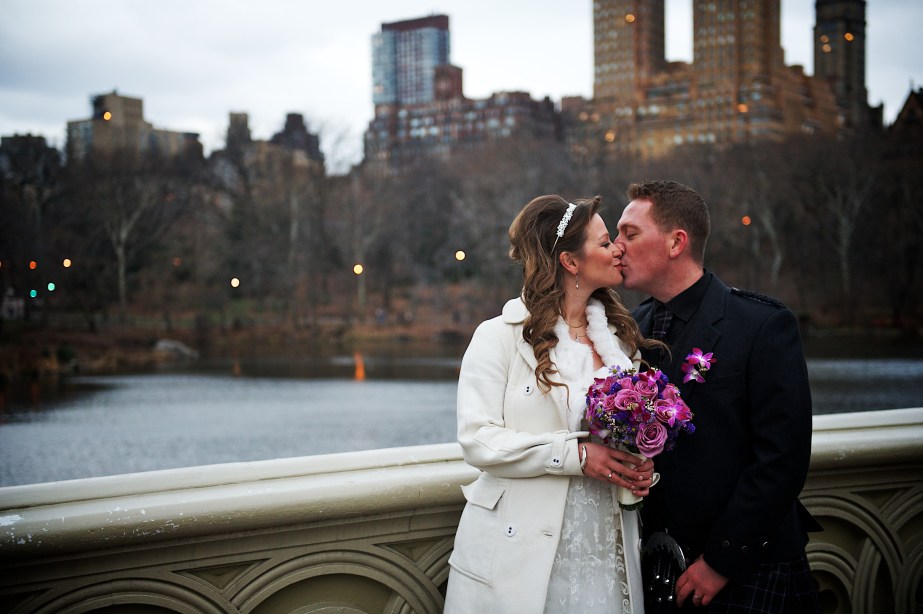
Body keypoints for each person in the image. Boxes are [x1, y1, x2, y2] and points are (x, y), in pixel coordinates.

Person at [444, 195, 659, 613]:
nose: (617, 248)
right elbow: (478, 441)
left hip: (603, 544)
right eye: (603, 243)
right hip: (521, 550)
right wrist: (575, 455)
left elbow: (621, 441)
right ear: (570, 261)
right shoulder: (498, 337)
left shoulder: (621, 345)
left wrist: (641, 466)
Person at [614, 180, 820, 612]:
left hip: (750, 567)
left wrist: (721, 561)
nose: (616, 247)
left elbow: (782, 459)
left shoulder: (761, 325)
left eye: (629, 234)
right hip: (658, 569)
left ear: (676, 242)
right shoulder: (629, 329)